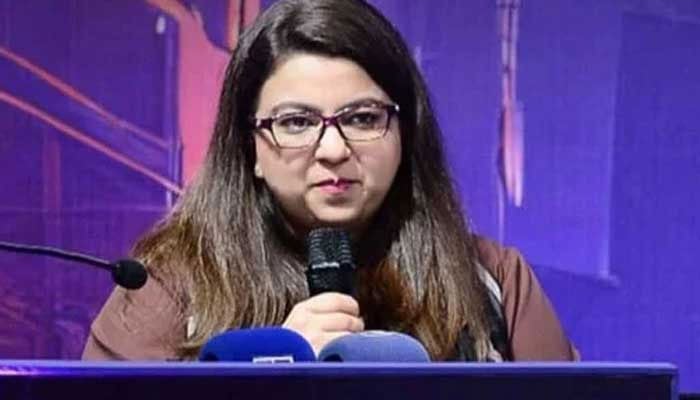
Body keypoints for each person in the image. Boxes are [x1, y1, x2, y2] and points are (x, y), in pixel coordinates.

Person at [82, 0, 578, 362]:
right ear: (250, 148)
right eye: (297, 122)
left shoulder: (492, 281)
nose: (334, 150)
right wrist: (273, 373)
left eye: (362, 118)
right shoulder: (170, 287)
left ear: (405, 132)